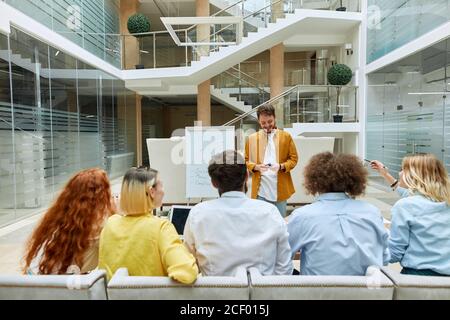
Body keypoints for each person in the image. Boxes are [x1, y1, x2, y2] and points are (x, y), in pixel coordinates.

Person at [184, 150, 293, 276]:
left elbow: (188, 264)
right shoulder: (270, 212)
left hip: (215, 294)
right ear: (247, 176)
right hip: (262, 294)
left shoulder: (198, 214)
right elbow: (284, 268)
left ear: (213, 183)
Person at [287, 152, 389, 275]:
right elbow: (384, 257)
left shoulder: (302, 216)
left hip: (317, 291)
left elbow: (283, 257)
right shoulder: (371, 212)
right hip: (365, 290)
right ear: (355, 179)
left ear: (314, 180)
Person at [98, 167, 198, 282]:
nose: (163, 191)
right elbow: (186, 272)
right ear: (151, 192)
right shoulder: (161, 227)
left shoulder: (110, 224)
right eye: (161, 185)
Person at [23, 168, 114, 275]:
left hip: (50, 279)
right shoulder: (99, 225)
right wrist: (117, 216)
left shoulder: (59, 218)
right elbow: (116, 255)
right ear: (101, 196)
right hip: (74, 285)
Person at [375, 154, 450, 276]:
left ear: (413, 175)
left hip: (418, 276)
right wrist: (384, 174)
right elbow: (407, 193)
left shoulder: (405, 206)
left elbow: (394, 254)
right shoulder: (445, 200)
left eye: (402, 170)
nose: (399, 174)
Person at [245, 104, 298, 217]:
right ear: (259, 121)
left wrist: (281, 166)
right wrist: (255, 167)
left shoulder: (286, 137)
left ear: (274, 118)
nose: (267, 125)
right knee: (261, 224)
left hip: (281, 191)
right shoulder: (252, 138)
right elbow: (246, 160)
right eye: (263, 123)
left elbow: (294, 159)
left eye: (270, 121)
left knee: (280, 223)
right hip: (260, 191)